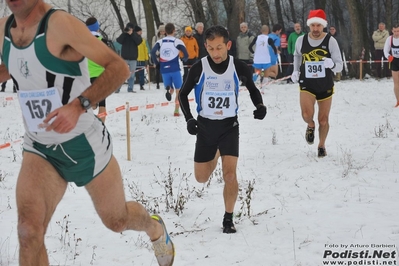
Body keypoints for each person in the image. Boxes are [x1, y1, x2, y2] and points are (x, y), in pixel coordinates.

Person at [0, 1, 174, 266]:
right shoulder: (4, 29)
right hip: (40, 148)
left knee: (116, 221)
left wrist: (78, 105)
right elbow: (17, 65)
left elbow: (119, 68)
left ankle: (155, 229)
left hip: (85, 145)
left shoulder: (60, 25)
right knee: (29, 232)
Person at [178, 25, 267, 234]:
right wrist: (189, 119)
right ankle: (216, 151)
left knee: (229, 175)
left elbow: (253, 90)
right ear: (205, 47)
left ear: (227, 45)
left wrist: (260, 106)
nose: (215, 53)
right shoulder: (199, 68)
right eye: (210, 48)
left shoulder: (239, 66)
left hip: (229, 127)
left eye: (219, 48)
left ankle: (228, 217)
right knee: (201, 178)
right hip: (205, 128)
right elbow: (182, 94)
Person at [291, 9, 343, 158]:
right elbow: (296, 55)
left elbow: (340, 65)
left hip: (325, 84)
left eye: (318, 26)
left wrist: (331, 64)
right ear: (309, 26)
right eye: (313, 25)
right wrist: (295, 70)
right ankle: (310, 125)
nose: (315, 29)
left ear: (323, 26)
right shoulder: (301, 40)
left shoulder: (330, 41)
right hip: (307, 83)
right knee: (306, 114)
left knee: (324, 120)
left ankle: (321, 145)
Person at [151, 23, 188, 116]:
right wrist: (184, 59)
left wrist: (157, 63)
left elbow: (152, 52)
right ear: (174, 30)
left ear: (165, 32)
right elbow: (186, 54)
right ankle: (176, 110)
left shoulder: (160, 41)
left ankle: (169, 90)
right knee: (179, 90)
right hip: (175, 68)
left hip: (164, 69)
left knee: (170, 87)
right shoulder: (177, 41)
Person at [85, 17, 108, 123]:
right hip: (100, 75)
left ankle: (88, 123)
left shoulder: (83, 41)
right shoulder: (102, 41)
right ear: (97, 28)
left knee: (88, 103)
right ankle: (102, 125)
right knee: (102, 103)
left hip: (86, 75)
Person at [116, 22, 142, 93]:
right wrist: (125, 33)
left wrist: (132, 34)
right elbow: (118, 40)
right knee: (122, 74)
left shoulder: (136, 35)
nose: (129, 30)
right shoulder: (124, 35)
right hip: (124, 58)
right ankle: (117, 89)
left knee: (132, 75)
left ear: (133, 29)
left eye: (130, 28)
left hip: (133, 58)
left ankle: (130, 88)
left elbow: (139, 41)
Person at [383, 24, 399, 107]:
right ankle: (398, 101)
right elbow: (385, 50)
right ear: (392, 31)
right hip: (394, 61)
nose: (396, 33)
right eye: (395, 31)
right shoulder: (389, 39)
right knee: (396, 83)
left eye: (398, 31)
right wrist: (388, 56)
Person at [151, 24, 166, 89]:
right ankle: (157, 83)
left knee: (165, 70)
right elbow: (153, 46)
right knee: (157, 70)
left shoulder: (167, 37)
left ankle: (166, 82)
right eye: (161, 31)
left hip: (165, 56)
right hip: (157, 55)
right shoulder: (155, 38)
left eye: (163, 31)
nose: (162, 32)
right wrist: (157, 53)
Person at [135, 25, 149, 91]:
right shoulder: (133, 40)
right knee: (133, 72)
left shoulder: (143, 40)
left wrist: (146, 58)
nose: (141, 32)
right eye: (140, 31)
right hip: (135, 59)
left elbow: (145, 49)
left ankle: (141, 85)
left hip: (142, 58)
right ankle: (131, 85)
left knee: (141, 73)